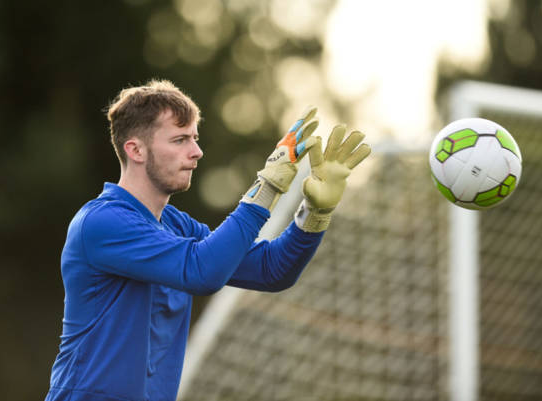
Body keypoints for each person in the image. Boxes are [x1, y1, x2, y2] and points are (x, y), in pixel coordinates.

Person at [45, 79, 371, 401]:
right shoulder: (102, 222)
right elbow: (202, 272)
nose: (196, 152)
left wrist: (315, 212)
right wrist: (267, 185)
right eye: (179, 140)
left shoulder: (176, 226)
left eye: (195, 138)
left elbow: (273, 270)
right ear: (136, 150)